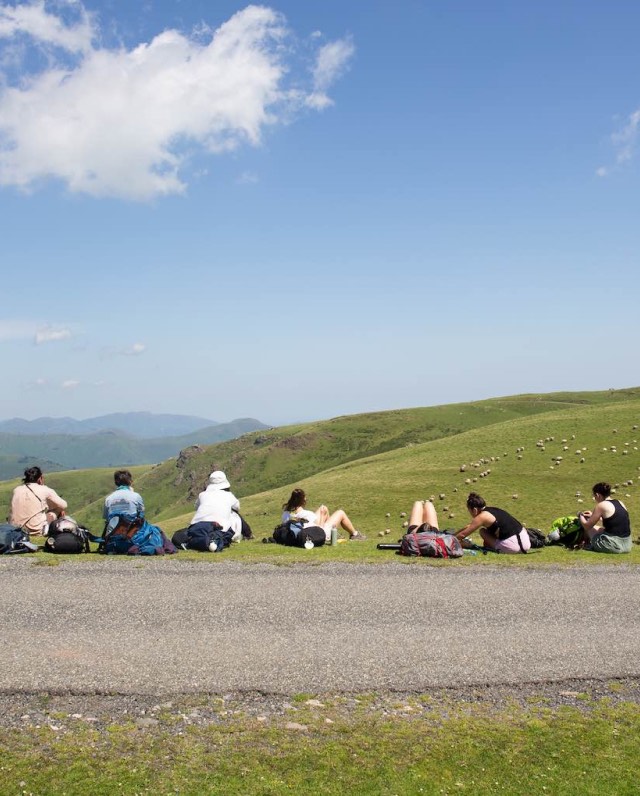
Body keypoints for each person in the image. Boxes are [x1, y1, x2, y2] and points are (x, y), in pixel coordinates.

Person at [455, 492, 531, 553]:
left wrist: (450, 539)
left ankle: (494, 548)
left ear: (474, 510)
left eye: (469, 511)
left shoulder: (482, 516)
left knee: (482, 531)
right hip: (526, 543)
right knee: (487, 530)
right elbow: (469, 526)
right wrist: (454, 534)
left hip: (513, 547)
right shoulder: (492, 510)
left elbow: (463, 534)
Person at [281, 488, 366, 541]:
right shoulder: (307, 514)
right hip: (318, 534)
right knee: (340, 513)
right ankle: (354, 534)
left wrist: (322, 513)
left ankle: (335, 535)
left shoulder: (286, 513)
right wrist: (321, 517)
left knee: (323, 508)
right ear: (302, 501)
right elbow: (318, 530)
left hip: (299, 534)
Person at [190, 471, 251, 542]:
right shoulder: (228, 495)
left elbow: (196, 507)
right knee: (234, 514)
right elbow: (237, 507)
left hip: (197, 527)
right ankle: (248, 534)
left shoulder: (202, 495)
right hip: (220, 528)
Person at [9, 466, 68, 536]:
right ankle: (59, 530)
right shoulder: (45, 489)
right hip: (35, 530)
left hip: (15, 528)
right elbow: (64, 505)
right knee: (59, 508)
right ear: (40, 478)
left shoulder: (16, 490)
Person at [578, 481, 632, 553]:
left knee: (588, 526)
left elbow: (587, 526)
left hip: (613, 546)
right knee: (599, 529)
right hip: (627, 545)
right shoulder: (620, 502)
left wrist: (580, 515)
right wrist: (593, 515)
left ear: (597, 495)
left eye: (594, 496)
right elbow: (615, 520)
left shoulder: (601, 505)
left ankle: (585, 542)